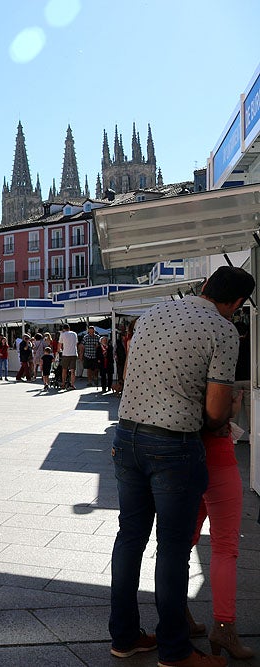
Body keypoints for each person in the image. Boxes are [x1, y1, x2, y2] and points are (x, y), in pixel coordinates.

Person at [109, 265, 254, 667]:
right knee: (172, 548)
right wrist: (224, 414)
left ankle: (124, 637)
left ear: (205, 286)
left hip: (126, 435)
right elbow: (214, 410)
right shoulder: (223, 331)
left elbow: (127, 375)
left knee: (129, 540)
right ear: (237, 303)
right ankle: (175, 651)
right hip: (173, 445)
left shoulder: (155, 312)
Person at [191, 389, 254, 660]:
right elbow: (220, 413)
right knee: (225, 547)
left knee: (181, 544)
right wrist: (235, 403)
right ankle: (224, 628)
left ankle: (178, 617)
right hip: (218, 458)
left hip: (185, 458)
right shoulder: (219, 351)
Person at [58, 325, 79, 390]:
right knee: (73, 371)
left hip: (66, 354)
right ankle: (72, 385)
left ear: (63, 329)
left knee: (64, 370)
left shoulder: (62, 334)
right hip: (73, 353)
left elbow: (59, 344)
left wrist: (59, 351)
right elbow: (76, 343)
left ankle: (63, 384)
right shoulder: (74, 334)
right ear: (69, 328)